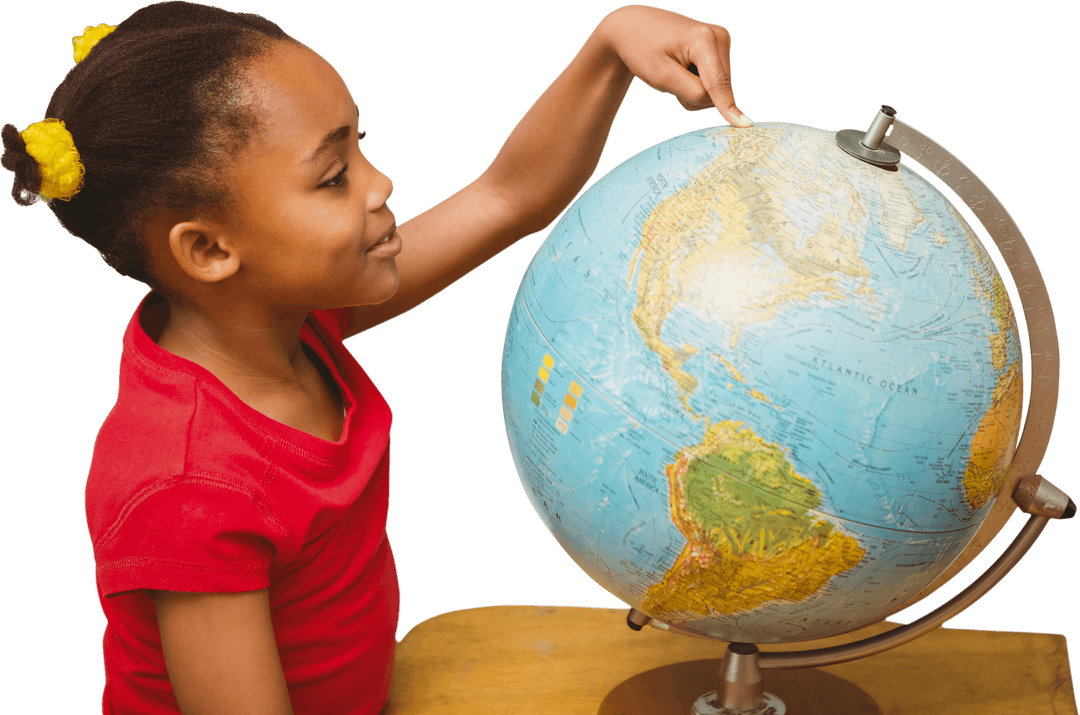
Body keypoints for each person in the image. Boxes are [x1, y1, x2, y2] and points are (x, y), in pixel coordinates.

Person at [1, 2, 751, 713]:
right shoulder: (188, 487)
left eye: (363, 146)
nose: (381, 184)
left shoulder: (286, 323)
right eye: (334, 177)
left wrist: (610, 45)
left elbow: (508, 196)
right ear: (208, 248)